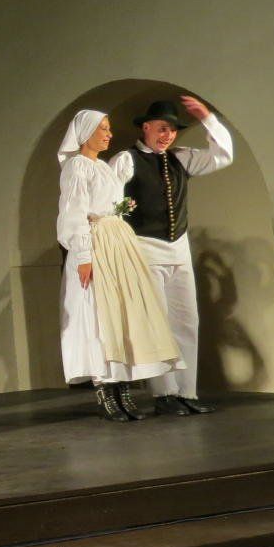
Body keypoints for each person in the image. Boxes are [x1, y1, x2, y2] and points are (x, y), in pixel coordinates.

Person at [108, 97, 233, 415]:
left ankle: (185, 391)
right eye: (162, 129)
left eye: (173, 130)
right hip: (144, 248)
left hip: (178, 248)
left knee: (186, 321)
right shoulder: (126, 160)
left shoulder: (181, 158)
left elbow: (223, 155)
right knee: (157, 322)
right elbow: (109, 204)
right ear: (146, 127)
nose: (168, 135)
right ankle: (164, 393)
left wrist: (208, 119)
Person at [57, 110, 184, 420]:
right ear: (85, 133)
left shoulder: (102, 166)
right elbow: (73, 212)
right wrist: (83, 256)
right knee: (99, 315)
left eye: (109, 128)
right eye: (102, 129)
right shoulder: (77, 166)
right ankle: (105, 387)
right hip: (95, 244)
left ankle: (122, 385)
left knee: (122, 314)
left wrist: (120, 209)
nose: (109, 134)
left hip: (116, 242)